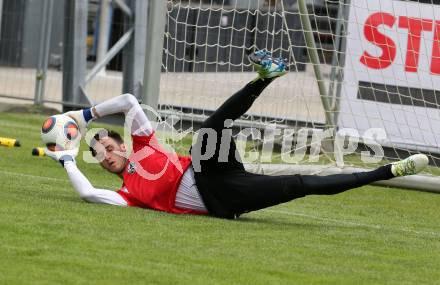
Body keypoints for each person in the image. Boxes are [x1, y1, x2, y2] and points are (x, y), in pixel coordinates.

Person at [45, 50, 429, 219]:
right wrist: (66, 159)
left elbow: (129, 101)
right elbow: (89, 194)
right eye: (99, 155)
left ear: (121, 143)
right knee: (304, 183)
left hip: (209, 169)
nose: (106, 154)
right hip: (223, 198)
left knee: (208, 132)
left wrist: (85, 115)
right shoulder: (127, 194)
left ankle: (265, 77)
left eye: (108, 145)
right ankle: (390, 171)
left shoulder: (143, 144)